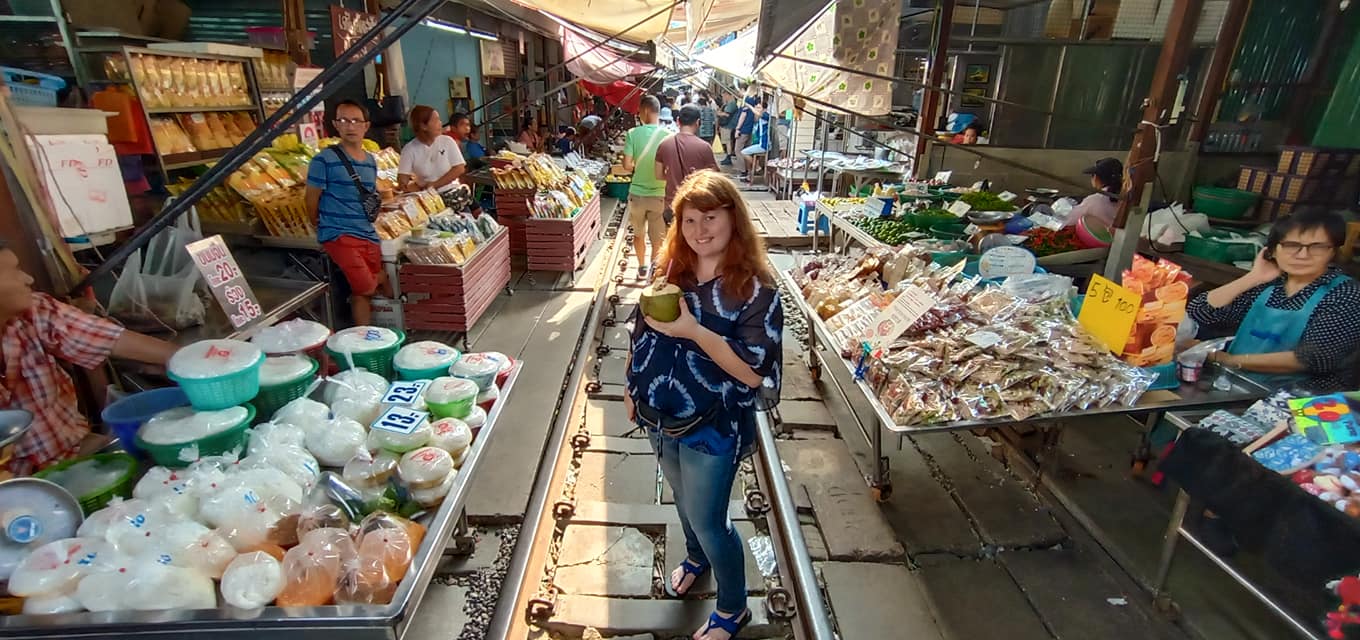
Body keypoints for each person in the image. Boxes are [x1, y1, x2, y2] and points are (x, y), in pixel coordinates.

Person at [626, 170, 781, 640]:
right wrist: (633, 391)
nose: (699, 230)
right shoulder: (672, 272)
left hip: (712, 424)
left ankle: (734, 609)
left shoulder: (756, 292)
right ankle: (695, 559)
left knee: (711, 520)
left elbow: (753, 372)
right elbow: (640, 335)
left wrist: (694, 331)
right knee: (681, 499)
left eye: (710, 217)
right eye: (689, 220)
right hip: (659, 414)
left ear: (733, 218)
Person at [0, 241, 178, 475]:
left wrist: (191, 359)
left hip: (78, 452)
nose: (28, 279)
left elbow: (110, 339)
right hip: (20, 485)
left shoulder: (34, 312)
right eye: (14, 271)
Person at [1189, 208, 1360, 392]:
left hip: (1302, 400)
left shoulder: (1345, 293)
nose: (1302, 255)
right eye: (1291, 245)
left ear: (1333, 252)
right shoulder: (1270, 285)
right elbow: (1199, 314)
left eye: (1317, 247)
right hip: (1239, 385)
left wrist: (1226, 359)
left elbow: (1314, 358)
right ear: (1273, 250)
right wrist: (1252, 277)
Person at [306, 100, 391, 326]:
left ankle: (363, 337)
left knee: (361, 293)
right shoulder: (323, 159)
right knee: (366, 284)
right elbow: (311, 198)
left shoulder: (371, 161)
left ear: (366, 125)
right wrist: (320, 225)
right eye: (344, 121)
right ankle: (382, 279)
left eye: (355, 121)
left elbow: (370, 196)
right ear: (335, 125)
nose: (350, 126)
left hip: (366, 232)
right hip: (339, 234)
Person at [622, 96, 671, 279]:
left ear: (646, 111)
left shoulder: (633, 134)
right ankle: (652, 267)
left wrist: (638, 166)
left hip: (637, 194)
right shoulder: (668, 135)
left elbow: (627, 166)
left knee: (638, 233)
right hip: (660, 194)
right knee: (658, 237)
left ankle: (641, 266)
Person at [655, 104, 720, 214]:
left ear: (677, 121)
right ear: (698, 122)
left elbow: (658, 175)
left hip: (672, 204)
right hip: (697, 204)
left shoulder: (664, 144)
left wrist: (673, 175)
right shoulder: (704, 147)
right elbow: (714, 176)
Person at [399, 105, 466, 193]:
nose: (440, 123)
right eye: (436, 120)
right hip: (428, 197)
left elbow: (459, 168)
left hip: (453, 192)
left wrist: (435, 184)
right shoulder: (409, 149)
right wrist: (407, 185)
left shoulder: (447, 141)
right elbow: (403, 180)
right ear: (423, 126)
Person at [1069, 157, 1122, 227]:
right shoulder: (1124, 197)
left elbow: (1069, 220)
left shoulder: (1094, 200)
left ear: (1097, 177)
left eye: (1092, 175)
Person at [739, 101, 771, 184]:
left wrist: (749, 106)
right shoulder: (759, 118)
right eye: (756, 107)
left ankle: (757, 168)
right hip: (758, 143)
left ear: (764, 109)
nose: (757, 110)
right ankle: (750, 175)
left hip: (763, 145)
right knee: (748, 156)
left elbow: (758, 114)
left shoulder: (766, 116)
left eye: (759, 108)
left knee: (743, 152)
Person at [732, 96, 758, 178]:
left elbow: (743, 115)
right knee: (746, 150)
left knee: (738, 150)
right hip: (749, 129)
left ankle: (743, 171)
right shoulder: (754, 101)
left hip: (743, 129)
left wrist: (738, 129)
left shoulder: (747, 100)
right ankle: (749, 170)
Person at [718, 92, 739, 167]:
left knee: (728, 142)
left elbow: (727, 114)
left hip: (728, 125)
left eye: (724, 95)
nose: (724, 97)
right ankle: (728, 156)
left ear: (728, 95)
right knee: (727, 142)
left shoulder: (731, 104)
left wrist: (719, 113)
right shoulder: (729, 103)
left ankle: (729, 157)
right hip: (727, 125)